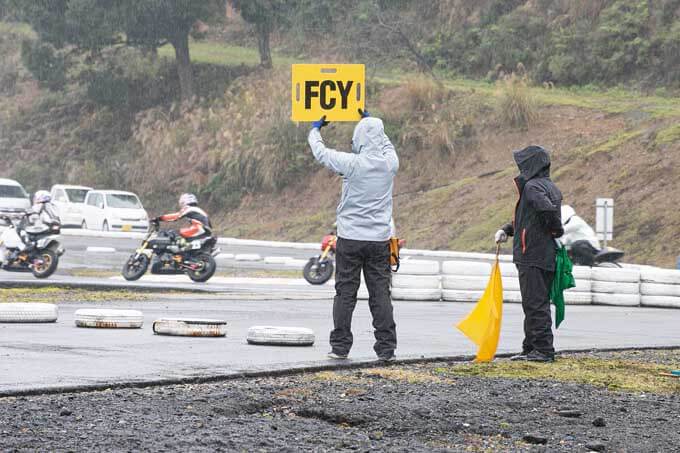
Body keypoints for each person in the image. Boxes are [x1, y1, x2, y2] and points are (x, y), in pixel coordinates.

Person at [308, 109, 399, 361]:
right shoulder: (390, 164)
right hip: (379, 239)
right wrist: (372, 123)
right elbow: (386, 143)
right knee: (380, 293)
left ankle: (340, 347)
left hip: (350, 238)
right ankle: (386, 348)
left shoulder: (351, 164)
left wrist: (315, 130)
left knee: (345, 293)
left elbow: (321, 153)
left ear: (358, 138)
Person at [495, 145, 563, 363]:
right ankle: (531, 347)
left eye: (523, 164)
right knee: (535, 301)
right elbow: (528, 220)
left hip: (532, 253)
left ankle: (543, 349)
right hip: (543, 252)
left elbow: (546, 211)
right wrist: (507, 230)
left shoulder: (532, 187)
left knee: (535, 303)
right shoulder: (548, 186)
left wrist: (556, 229)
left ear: (531, 164)